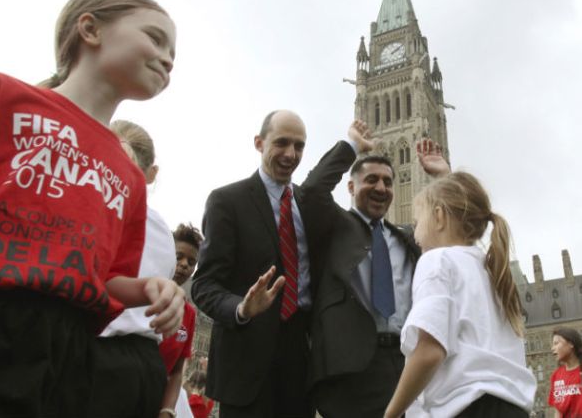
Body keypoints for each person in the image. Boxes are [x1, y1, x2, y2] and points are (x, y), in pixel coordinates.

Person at [0, 0, 185, 418]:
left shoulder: (130, 178)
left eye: (173, 53)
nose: (168, 59)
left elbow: (108, 278)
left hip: (67, 349)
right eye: (156, 38)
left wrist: (147, 288)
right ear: (90, 29)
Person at [191, 110, 355, 418]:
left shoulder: (309, 203)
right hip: (246, 360)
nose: (290, 154)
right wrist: (241, 308)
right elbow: (203, 284)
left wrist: (352, 145)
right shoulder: (227, 201)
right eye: (281, 143)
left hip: (300, 360)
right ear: (259, 143)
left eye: (299, 146)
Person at [302, 126, 448, 418]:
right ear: (351, 187)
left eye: (387, 182)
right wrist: (352, 145)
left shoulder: (408, 239)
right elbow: (311, 191)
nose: (381, 188)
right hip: (350, 372)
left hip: (406, 364)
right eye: (371, 180)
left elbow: (454, 231)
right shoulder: (335, 227)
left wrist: (444, 179)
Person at [384, 171, 537, 418]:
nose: (414, 233)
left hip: (467, 408)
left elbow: (430, 351)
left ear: (439, 217)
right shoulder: (493, 272)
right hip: (513, 407)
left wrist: (391, 413)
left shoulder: (436, 261)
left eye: (417, 222)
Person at [89, 119, 184, 418]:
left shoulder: (99, 207)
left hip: (99, 355)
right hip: (147, 365)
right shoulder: (163, 231)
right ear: (152, 173)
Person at [158, 223, 205, 418]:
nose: (185, 264)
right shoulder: (140, 296)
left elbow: (177, 371)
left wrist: (167, 410)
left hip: (160, 398)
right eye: (179, 257)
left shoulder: (189, 314)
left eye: (192, 262)